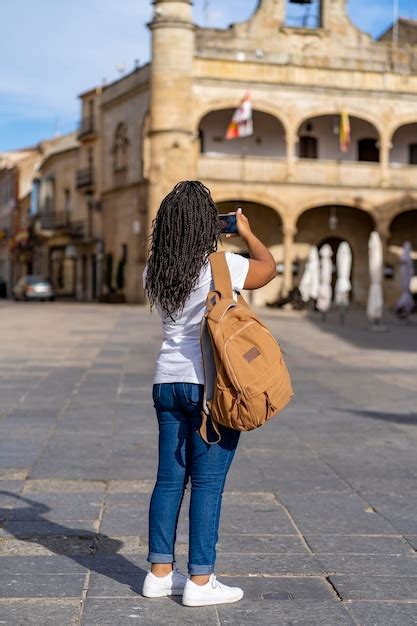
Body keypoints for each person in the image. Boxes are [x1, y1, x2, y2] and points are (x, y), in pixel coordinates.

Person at [142, 181, 276, 607]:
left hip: (166, 382)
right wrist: (246, 231)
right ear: (206, 226)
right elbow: (268, 268)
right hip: (210, 386)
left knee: (168, 480)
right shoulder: (223, 266)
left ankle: (159, 574)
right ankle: (201, 580)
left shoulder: (154, 270)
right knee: (207, 483)